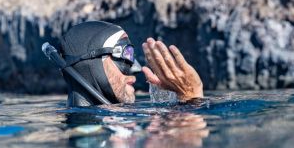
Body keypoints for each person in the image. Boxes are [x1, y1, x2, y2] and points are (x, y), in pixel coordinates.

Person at [45, 21, 203, 107]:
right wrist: (192, 96)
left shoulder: (109, 131)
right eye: (123, 55)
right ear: (90, 63)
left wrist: (183, 97)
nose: (135, 68)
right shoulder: (90, 137)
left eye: (131, 56)